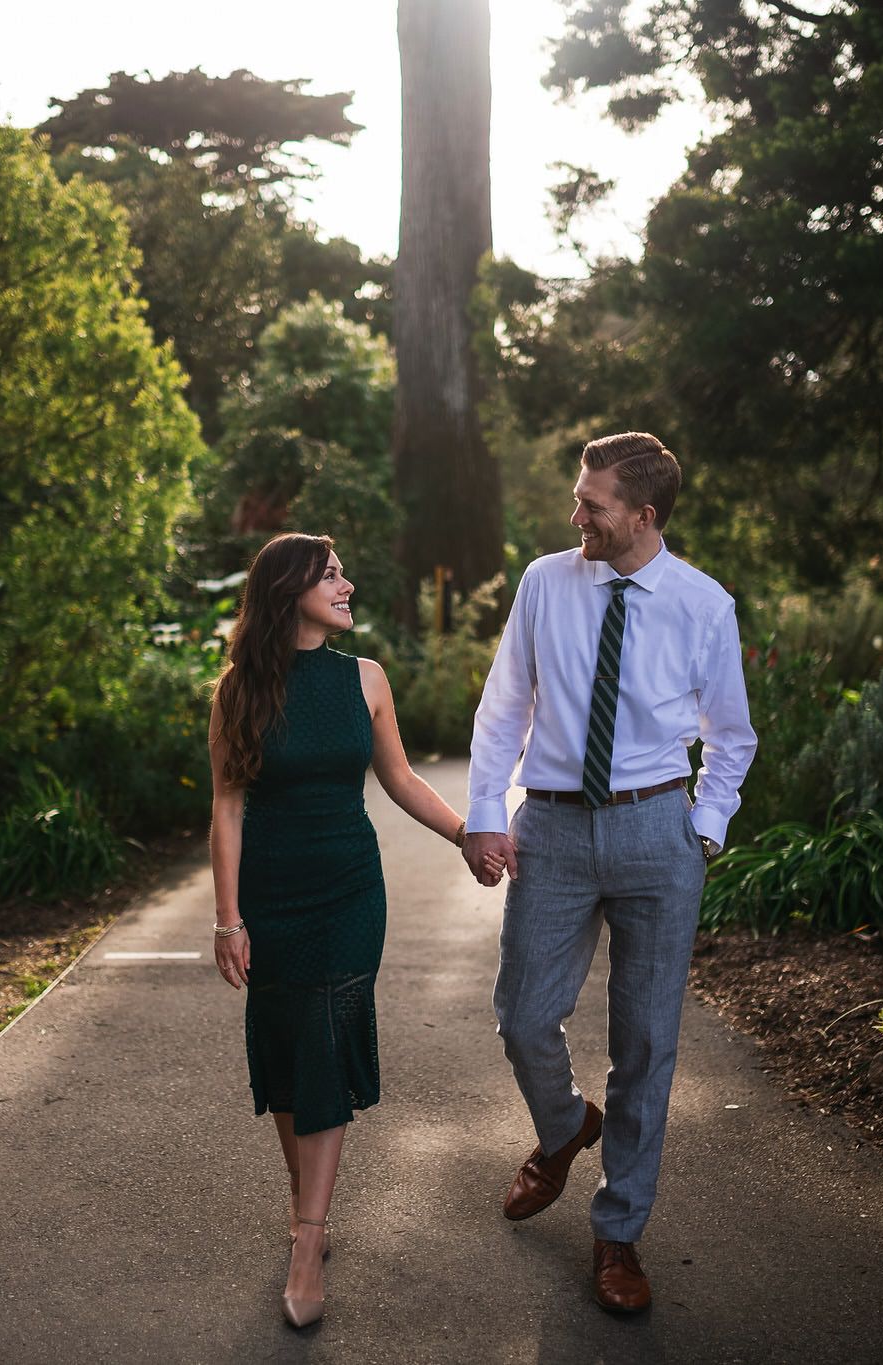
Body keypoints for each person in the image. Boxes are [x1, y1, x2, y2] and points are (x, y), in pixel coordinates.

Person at [462, 431, 757, 1314]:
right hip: (550, 827)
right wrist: (484, 813)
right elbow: (504, 701)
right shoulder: (546, 581)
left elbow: (731, 734)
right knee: (522, 1016)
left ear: (644, 514)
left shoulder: (704, 604)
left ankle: (618, 1232)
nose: (576, 513)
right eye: (578, 497)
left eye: (592, 503)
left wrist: (701, 830)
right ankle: (563, 1128)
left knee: (645, 1044)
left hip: (656, 833)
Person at [207, 532, 477, 1329]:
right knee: (290, 1043)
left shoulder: (367, 679)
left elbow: (398, 778)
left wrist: (468, 835)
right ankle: (305, 1203)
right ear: (290, 590)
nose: (347, 584)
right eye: (331, 576)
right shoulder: (239, 690)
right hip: (273, 890)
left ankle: (307, 1238)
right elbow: (225, 811)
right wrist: (228, 919)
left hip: (351, 889)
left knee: (327, 1034)